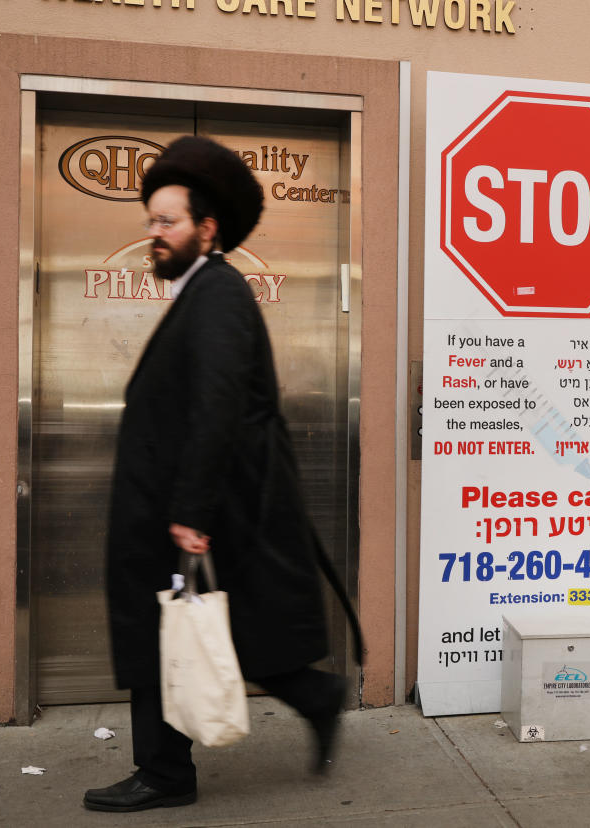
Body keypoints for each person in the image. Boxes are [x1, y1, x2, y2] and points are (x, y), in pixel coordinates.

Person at [83, 136, 359, 813]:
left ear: (206, 230)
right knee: (205, 627)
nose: (154, 233)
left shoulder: (217, 294)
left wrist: (191, 511)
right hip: (184, 497)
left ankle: (167, 772)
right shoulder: (200, 292)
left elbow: (218, 404)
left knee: (175, 629)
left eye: (167, 221)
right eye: (150, 220)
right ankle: (314, 698)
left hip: (198, 502)